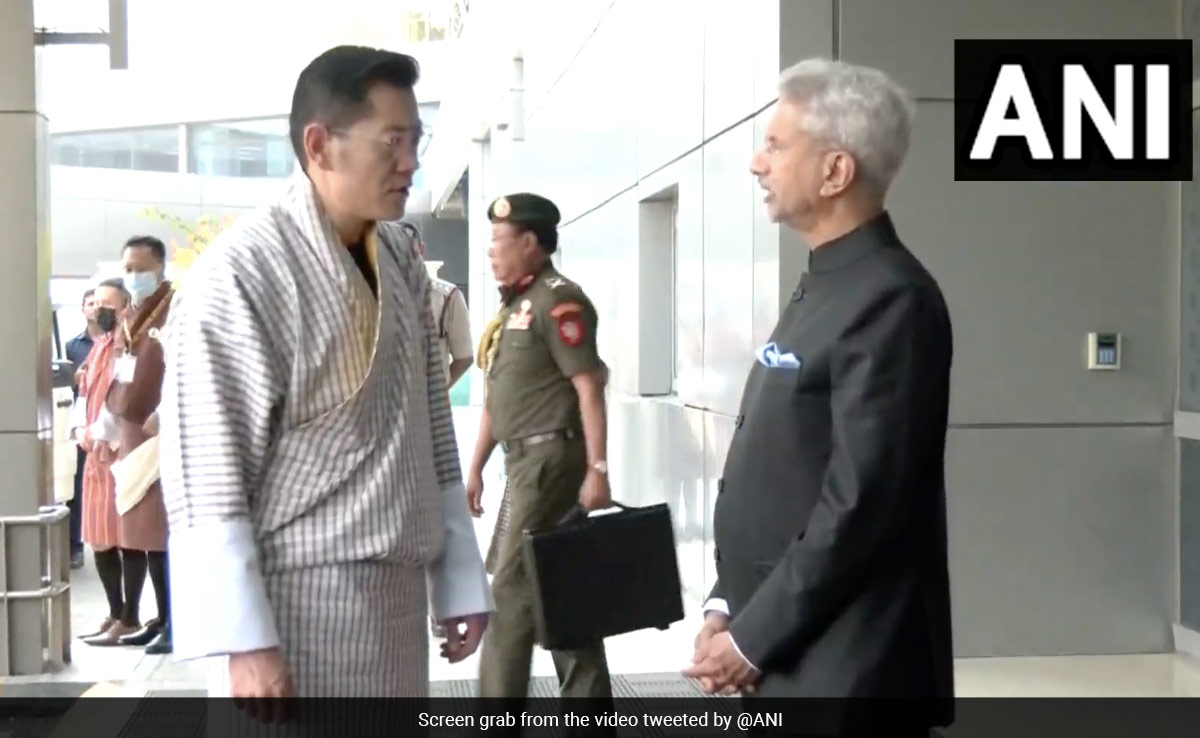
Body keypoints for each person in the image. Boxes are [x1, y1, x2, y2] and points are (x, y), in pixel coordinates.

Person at [159, 45, 493, 702]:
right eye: (391, 141)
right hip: (292, 605)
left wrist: (457, 576)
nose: (410, 162)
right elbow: (206, 464)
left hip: (394, 601)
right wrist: (245, 642)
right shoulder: (239, 273)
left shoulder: (397, 253)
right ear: (320, 145)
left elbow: (429, 424)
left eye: (415, 140)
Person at [684, 58, 955, 737]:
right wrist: (728, 605)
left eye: (776, 146)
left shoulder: (891, 298)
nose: (756, 163)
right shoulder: (828, 283)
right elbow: (784, 470)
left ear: (836, 172)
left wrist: (751, 642)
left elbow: (861, 505)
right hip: (793, 649)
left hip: (851, 668)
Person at [466, 192, 615, 711]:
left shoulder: (559, 300)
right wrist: (476, 467)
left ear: (530, 243)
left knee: (509, 592)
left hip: (551, 462)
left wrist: (598, 469)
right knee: (559, 584)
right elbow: (497, 399)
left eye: (498, 242)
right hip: (524, 462)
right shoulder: (515, 307)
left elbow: (588, 388)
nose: (491, 253)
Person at [400, 220, 474, 641]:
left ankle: (440, 607)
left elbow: (462, 356)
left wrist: (436, 386)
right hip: (385, 424)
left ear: (421, 250)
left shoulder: (446, 297)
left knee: (434, 513)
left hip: (429, 422)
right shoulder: (371, 293)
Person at [106, 235, 175, 655]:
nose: (134, 276)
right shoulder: (131, 315)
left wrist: (167, 412)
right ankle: (162, 617)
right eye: (128, 268)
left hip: (161, 432)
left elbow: (188, 368)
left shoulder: (175, 309)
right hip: (130, 430)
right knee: (145, 534)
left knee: (163, 530)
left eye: (141, 268)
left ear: (161, 268)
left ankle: (177, 620)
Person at [73, 278, 146, 645]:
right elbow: (84, 394)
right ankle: (114, 612)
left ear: (124, 308)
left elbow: (124, 399)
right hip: (94, 454)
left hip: (120, 451)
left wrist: (102, 434)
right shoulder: (98, 346)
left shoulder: (127, 346)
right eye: (96, 301)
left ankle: (131, 617)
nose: (99, 309)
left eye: (108, 304)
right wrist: (79, 430)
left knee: (126, 536)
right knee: (99, 538)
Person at [65, 288, 101, 569]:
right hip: (82, 423)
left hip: (112, 423)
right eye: (90, 303)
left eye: (99, 303)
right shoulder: (72, 347)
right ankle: (75, 546)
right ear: (82, 308)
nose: (95, 308)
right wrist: (75, 381)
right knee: (76, 486)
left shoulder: (119, 342)